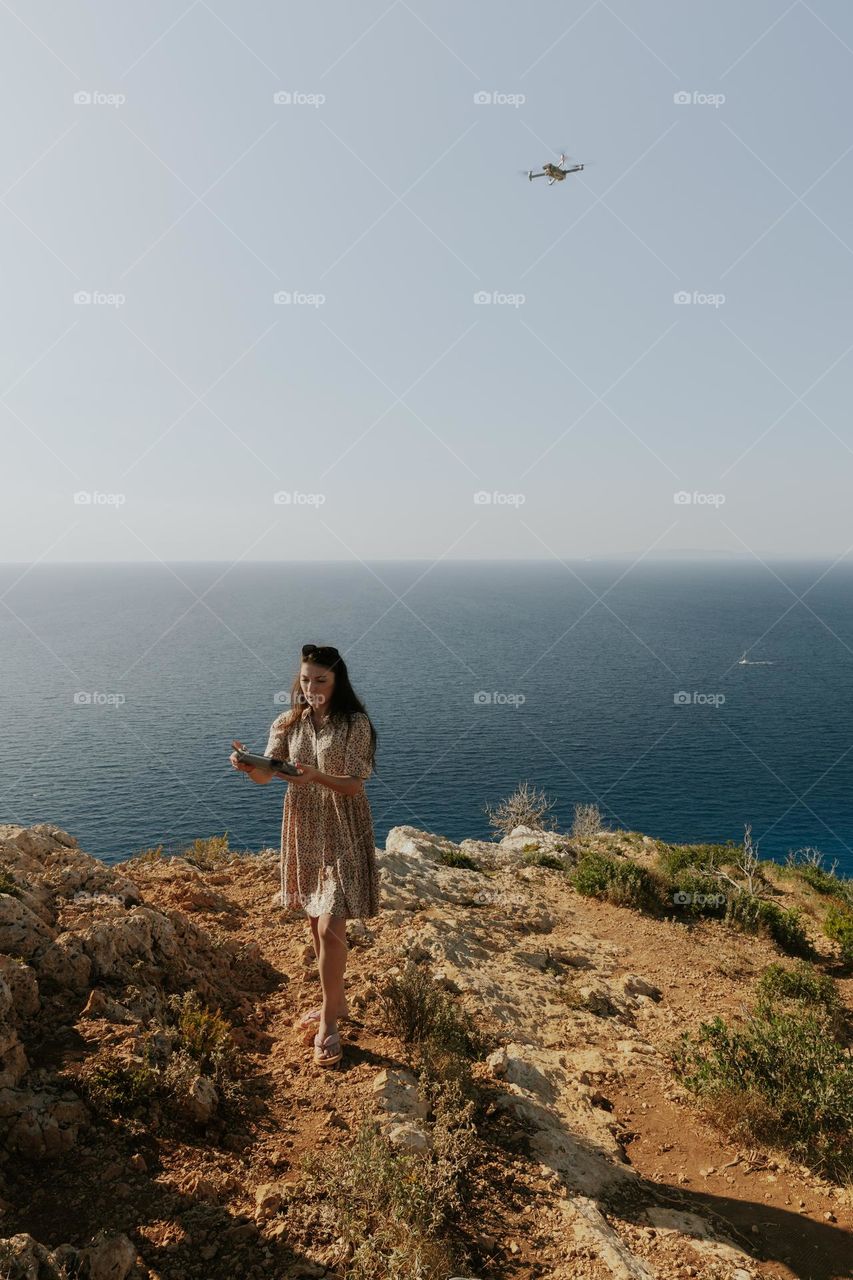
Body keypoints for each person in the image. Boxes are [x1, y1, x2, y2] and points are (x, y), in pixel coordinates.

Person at [230, 643, 379, 1068]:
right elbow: (267, 775)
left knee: (332, 924)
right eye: (306, 679)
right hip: (305, 827)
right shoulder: (288, 722)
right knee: (316, 926)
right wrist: (247, 766)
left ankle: (329, 1024)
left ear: (337, 681)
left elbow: (354, 785)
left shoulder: (355, 724)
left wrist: (315, 775)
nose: (311, 687)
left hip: (343, 826)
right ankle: (339, 1001)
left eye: (321, 680)